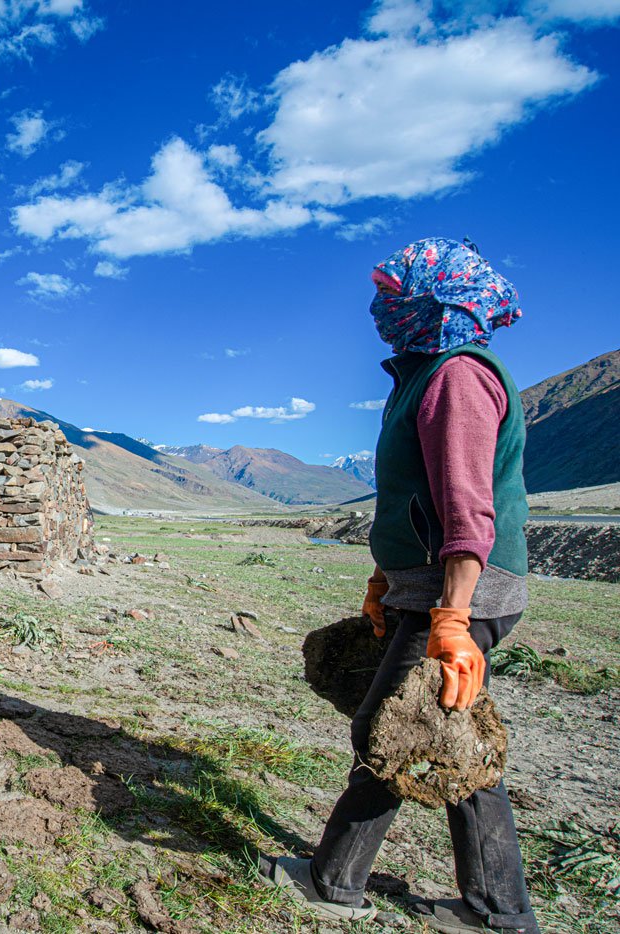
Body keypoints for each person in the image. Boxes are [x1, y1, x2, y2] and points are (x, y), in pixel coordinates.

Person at [260, 238, 538, 934]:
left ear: (433, 301)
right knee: (444, 734)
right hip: (432, 587)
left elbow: (466, 506)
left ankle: (337, 884)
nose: (381, 308)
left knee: (396, 731)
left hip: (458, 593)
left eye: (395, 294)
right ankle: (496, 910)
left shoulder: (458, 377)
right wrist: (385, 578)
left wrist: (452, 615)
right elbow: (409, 499)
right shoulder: (422, 374)